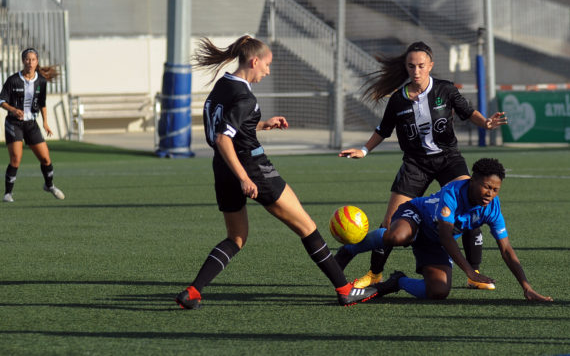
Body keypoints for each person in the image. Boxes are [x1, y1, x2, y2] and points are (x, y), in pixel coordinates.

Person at [175, 36, 377, 309]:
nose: (268, 71)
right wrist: (245, 177)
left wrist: (261, 124)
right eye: (267, 65)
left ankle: (193, 291)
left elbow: (225, 130)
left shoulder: (221, 86)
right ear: (254, 61)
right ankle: (344, 290)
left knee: (236, 238)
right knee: (307, 227)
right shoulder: (245, 96)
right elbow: (224, 137)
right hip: (251, 168)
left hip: (222, 169)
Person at [339, 41, 507, 289]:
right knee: (390, 222)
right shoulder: (398, 100)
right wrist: (364, 150)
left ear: (430, 65)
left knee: (471, 205)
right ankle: (375, 273)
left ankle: (474, 274)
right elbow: (383, 130)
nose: (416, 71)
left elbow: (468, 111)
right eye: (411, 66)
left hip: (449, 159)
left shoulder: (445, 90)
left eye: (420, 65)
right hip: (415, 164)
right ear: (406, 68)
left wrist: (485, 123)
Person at [336, 158, 553, 302]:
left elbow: (506, 250)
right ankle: (351, 249)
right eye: (487, 186)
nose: (490, 193)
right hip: (417, 216)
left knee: (438, 292)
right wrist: (470, 271)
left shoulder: (492, 208)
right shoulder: (453, 192)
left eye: (496, 190)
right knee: (397, 236)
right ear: (473, 180)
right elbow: (446, 235)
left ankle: (396, 282)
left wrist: (526, 286)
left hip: (435, 241)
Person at [1, 48, 65, 202]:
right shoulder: (13, 80)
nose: (30, 62)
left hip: (31, 124)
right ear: (23, 61)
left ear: (37, 61)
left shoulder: (41, 81)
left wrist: (45, 123)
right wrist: (13, 110)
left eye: (33, 59)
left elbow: (42, 103)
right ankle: (8, 193)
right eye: (27, 59)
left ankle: (49, 185)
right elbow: (2, 101)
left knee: (45, 158)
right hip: (14, 123)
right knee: (16, 158)